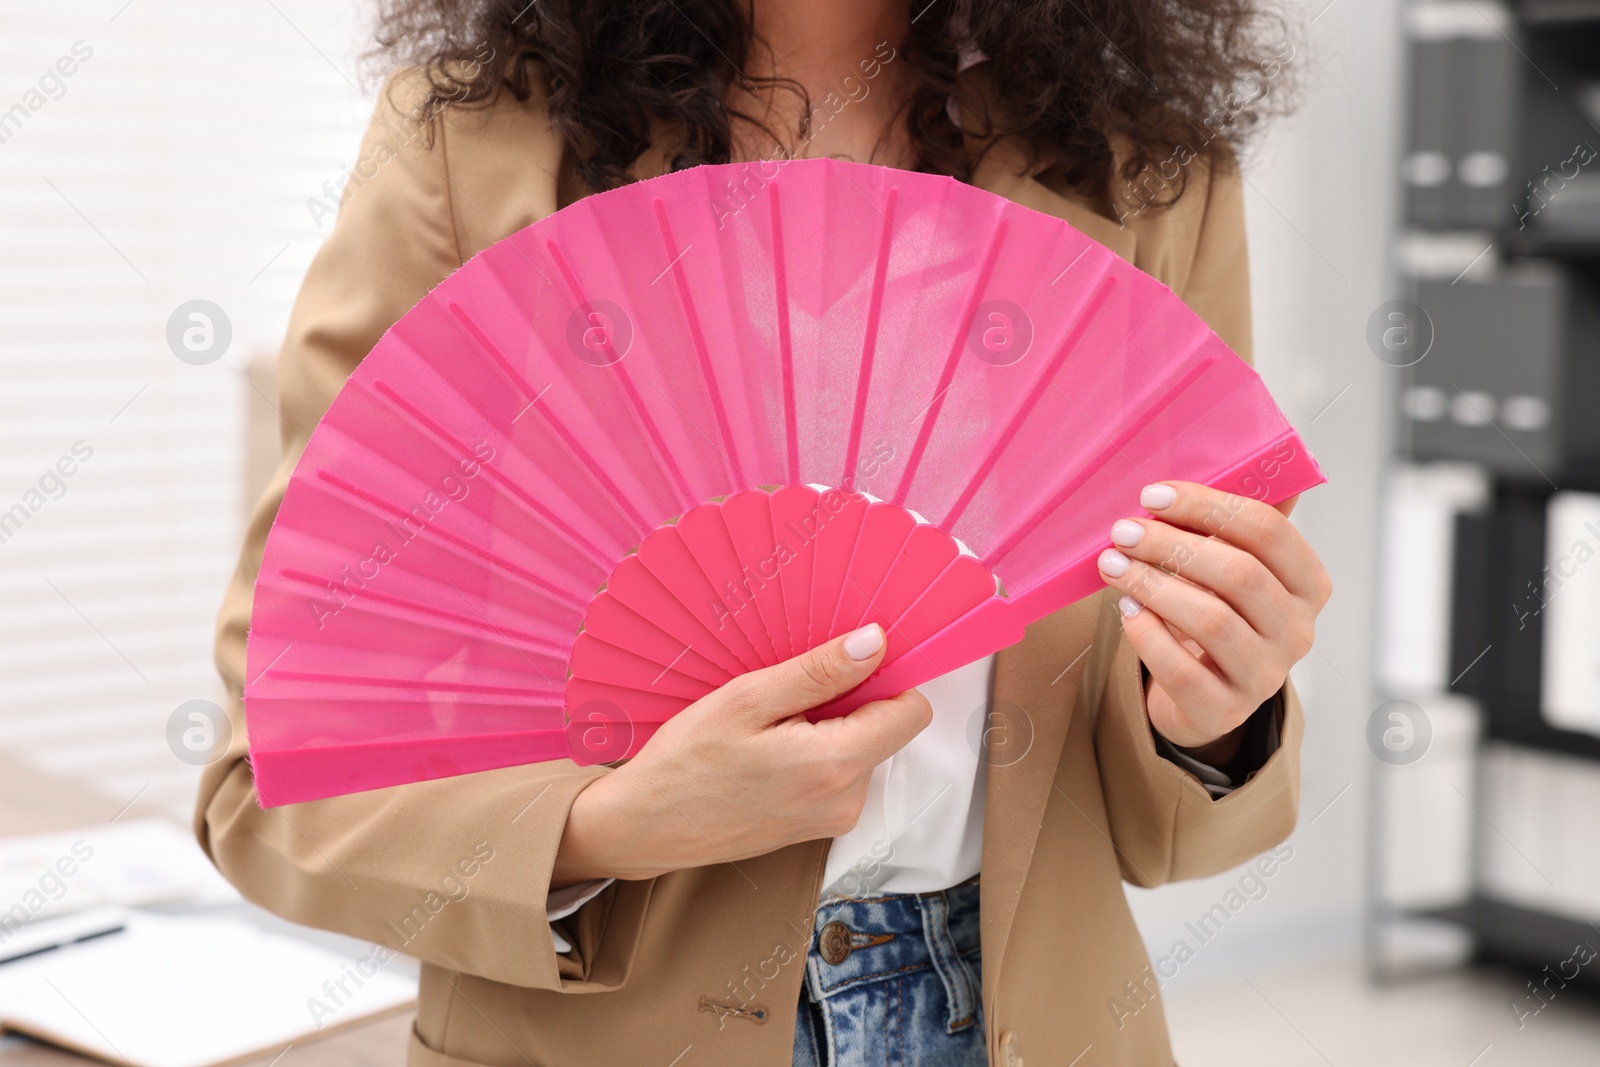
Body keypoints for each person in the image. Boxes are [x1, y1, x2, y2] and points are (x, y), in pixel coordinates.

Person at [196, 2, 1330, 1065]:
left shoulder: (1144, 174)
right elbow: (277, 778)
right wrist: (598, 828)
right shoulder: (472, 148)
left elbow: (1164, 827)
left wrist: (1213, 722)